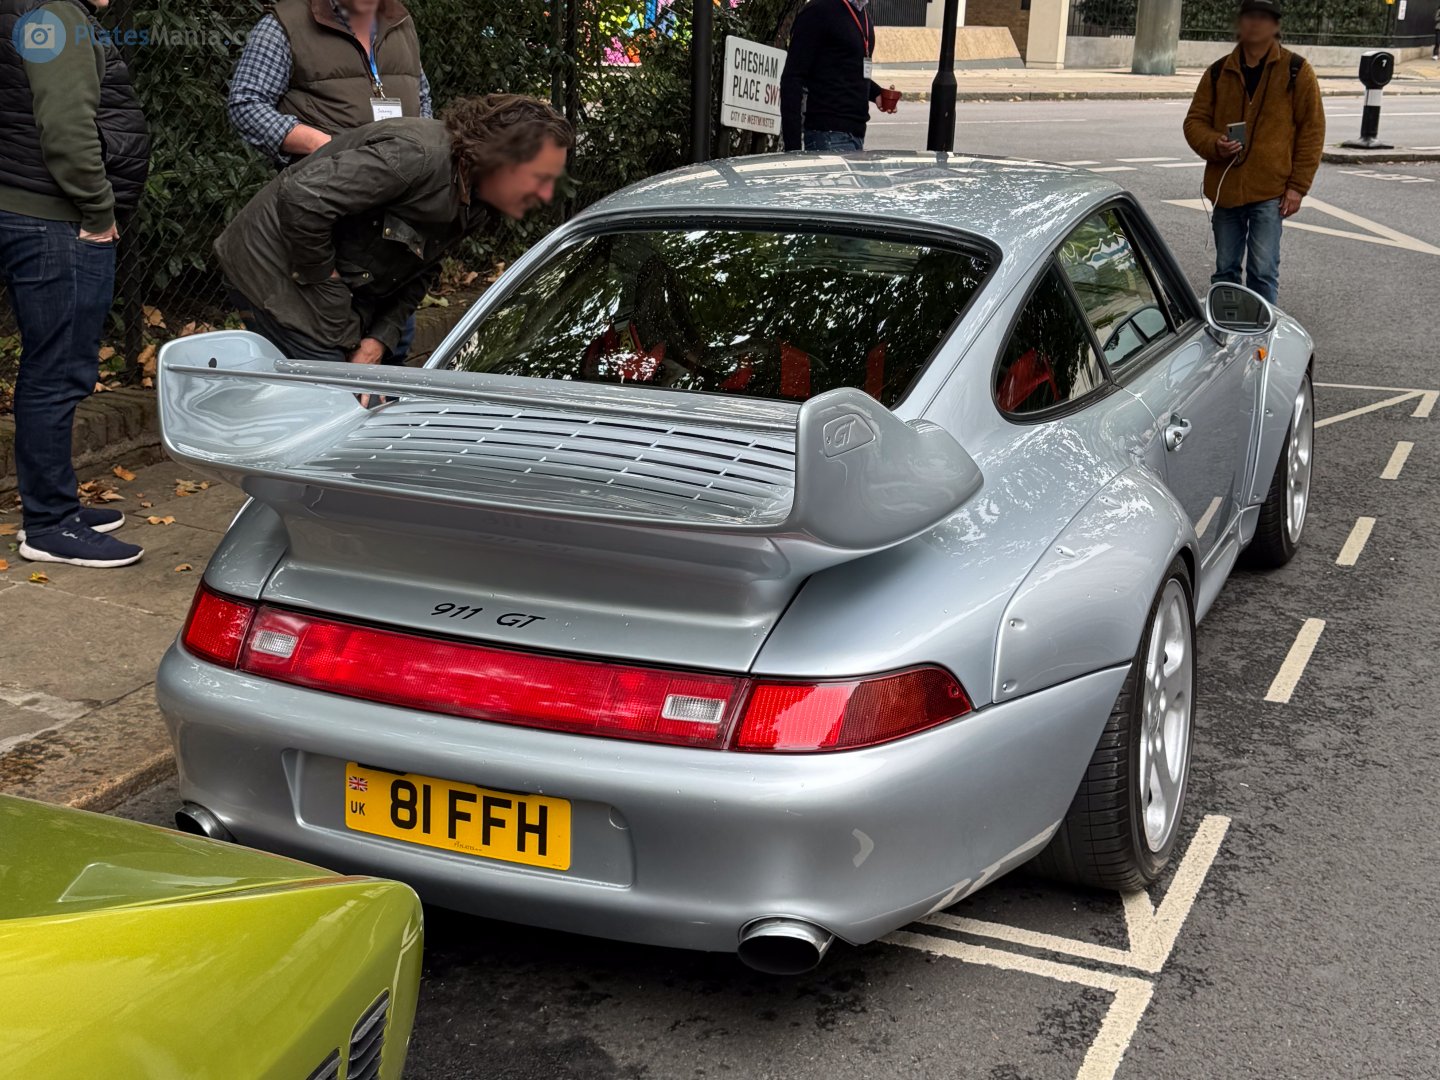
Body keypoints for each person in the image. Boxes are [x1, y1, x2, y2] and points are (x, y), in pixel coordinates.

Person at [215, 95, 570, 376]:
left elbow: (422, 270)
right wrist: (326, 281)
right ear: (500, 159)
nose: (545, 194)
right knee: (338, 401)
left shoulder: (479, 194)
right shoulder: (414, 157)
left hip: (342, 284)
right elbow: (303, 198)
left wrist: (377, 339)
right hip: (269, 266)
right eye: (538, 177)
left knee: (372, 390)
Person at [0, 0, 149, 568]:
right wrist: (96, 209)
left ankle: (53, 504)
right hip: (55, 217)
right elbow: (64, 124)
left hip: (35, 208)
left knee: (49, 366)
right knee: (58, 370)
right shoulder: (56, 13)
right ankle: (50, 524)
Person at [229, 0, 433, 362]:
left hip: (392, 232)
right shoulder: (285, 25)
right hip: (322, 221)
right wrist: (326, 148)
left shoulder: (402, 22)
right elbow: (246, 104)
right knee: (329, 367)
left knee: (392, 353)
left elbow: (422, 101)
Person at [1182, 0, 1324, 305]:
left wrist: (1298, 187)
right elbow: (1194, 122)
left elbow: (1312, 131)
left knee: (1263, 271)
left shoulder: (1296, 70)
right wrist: (1214, 143)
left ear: (1275, 26)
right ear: (1239, 24)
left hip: (1270, 191)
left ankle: (1263, 339)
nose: (1255, 24)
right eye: (1249, 17)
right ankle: (1229, 331)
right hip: (1227, 189)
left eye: (1263, 18)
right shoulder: (1220, 72)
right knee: (1225, 271)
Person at [780, 0, 900, 153]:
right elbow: (793, 78)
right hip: (827, 135)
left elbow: (848, 69)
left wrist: (876, 94)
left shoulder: (863, 15)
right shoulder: (819, 10)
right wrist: (793, 150)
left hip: (856, 134)